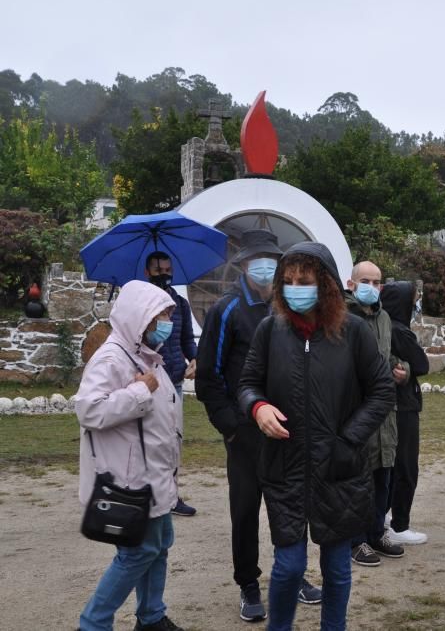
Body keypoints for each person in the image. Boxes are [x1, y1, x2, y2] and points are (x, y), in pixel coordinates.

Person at [238, 242, 395, 631]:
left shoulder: (354, 332)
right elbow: (247, 384)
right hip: (284, 466)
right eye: (288, 280)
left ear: (323, 283)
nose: (295, 287)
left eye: (304, 280)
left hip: (339, 468)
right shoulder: (269, 330)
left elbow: (382, 391)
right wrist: (258, 408)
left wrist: (349, 440)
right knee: (288, 567)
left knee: (337, 569)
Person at [195, 230, 321, 622]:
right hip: (246, 433)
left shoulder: (291, 309)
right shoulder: (227, 309)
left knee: (292, 506)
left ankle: (292, 573)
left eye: (272, 259)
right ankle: (248, 584)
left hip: (288, 431)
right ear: (245, 264)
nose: (265, 267)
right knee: (246, 510)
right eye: (257, 259)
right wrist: (232, 426)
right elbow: (208, 379)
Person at [76, 280, 186, 631]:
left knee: (160, 545)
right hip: (131, 477)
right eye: (162, 314)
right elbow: (89, 410)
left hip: (155, 474)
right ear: (140, 317)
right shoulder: (111, 358)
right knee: (137, 553)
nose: (168, 321)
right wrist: (140, 391)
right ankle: (93, 623)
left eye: (169, 313)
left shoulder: (145, 354)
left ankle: (151, 616)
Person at [344, 261, 408, 567]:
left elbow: (388, 355)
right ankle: (355, 541)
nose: (372, 286)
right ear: (352, 284)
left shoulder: (383, 317)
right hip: (357, 412)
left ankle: (376, 533)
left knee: (384, 477)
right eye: (366, 280)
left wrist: (401, 369)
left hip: (386, 413)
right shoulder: (342, 317)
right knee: (359, 479)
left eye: (377, 281)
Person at [144, 251, 197, 517]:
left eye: (167, 269)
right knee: (150, 442)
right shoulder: (139, 302)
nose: (164, 274)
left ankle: (171, 496)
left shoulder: (180, 303)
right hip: (148, 384)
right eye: (158, 269)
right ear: (147, 272)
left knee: (173, 441)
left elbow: (187, 338)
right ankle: (145, 494)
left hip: (174, 380)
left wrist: (195, 358)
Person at [380, 281, 430, 545]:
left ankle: (385, 516)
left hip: (388, 406)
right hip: (403, 407)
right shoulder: (401, 331)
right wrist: (410, 367)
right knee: (406, 467)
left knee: (390, 465)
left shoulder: (384, 327)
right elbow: (422, 364)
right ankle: (400, 525)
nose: (415, 304)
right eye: (413, 300)